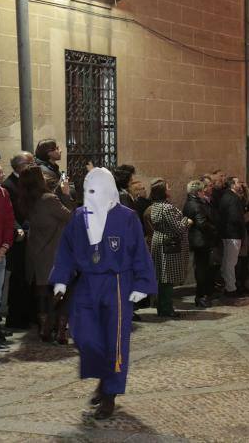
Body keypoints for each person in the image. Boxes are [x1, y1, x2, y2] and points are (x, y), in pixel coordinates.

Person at [49, 167, 156, 419]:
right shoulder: (78, 217)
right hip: (87, 283)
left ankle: (110, 393)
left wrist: (142, 284)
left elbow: (139, 252)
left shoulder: (127, 217)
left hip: (117, 283)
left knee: (114, 340)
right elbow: (66, 250)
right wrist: (61, 280)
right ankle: (103, 375)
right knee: (84, 335)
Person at [20, 166, 73, 343]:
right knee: (62, 292)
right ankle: (60, 331)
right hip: (55, 252)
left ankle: (44, 328)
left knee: (42, 292)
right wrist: (65, 194)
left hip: (37, 253)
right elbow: (70, 217)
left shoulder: (28, 200)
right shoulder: (49, 199)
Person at [148, 178, 191, 318]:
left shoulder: (156, 206)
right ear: (162, 191)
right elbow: (178, 228)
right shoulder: (166, 208)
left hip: (160, 241)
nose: (170, 189)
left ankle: (163, 307)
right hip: (169, 245)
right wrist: (187, 221)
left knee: (163, 277)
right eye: (167, 187)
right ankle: (166, 308)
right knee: (167, 277)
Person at [3, 152, 34, 330]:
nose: (33, 166)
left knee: (28, 276)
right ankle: (16, 318)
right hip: (18, 238)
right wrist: (19, 227)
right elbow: (9, 213)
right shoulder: (8, 185)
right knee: (18, 277)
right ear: (21, 166)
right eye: (30, 163)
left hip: (29, 235)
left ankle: (28, 315)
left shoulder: (26, 181)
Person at [182, 179, 217, 308]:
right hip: (201, 240)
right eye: (202, 191)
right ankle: (201, 296)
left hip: (197, 240)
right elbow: (202, 223)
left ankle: (201, 295)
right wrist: (214, 229)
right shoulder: (196, 205)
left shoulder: (189, 203)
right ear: (198, 192)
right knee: (202, 269)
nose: (204, 193)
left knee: (201, 268)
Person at [0, 162, 16, 344]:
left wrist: (4, 247)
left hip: (0, 254)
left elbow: (9, 222)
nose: (1, 175)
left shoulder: (3, 194)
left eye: (2, 172)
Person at [218, 176, 246, 297]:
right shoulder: (233, 198)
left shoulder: (226, 196)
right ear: (233, 185)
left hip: (227, 233)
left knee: (227, 261)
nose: (240, 184)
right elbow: (235, 218)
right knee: (231, 262)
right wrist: (242, 226)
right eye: (238, 182)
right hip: (233, 234)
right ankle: (231, 288)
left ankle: (229, 286)